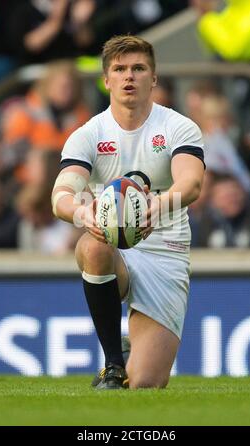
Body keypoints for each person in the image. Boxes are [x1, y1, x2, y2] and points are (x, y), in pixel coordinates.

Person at [51, 35, 205, 389]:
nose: (129, 77)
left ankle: (130, 354)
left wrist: (159, 204)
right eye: (119, 69)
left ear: (154, 78)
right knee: (94, 246)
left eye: (138, 68)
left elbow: (191, 184)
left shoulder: (178, 127)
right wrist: (80, 214)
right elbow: (61, 194)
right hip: (112, 246)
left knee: (146, 384)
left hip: (166, 252)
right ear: (106, 80)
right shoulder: (88, 134)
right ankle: (113, 363)